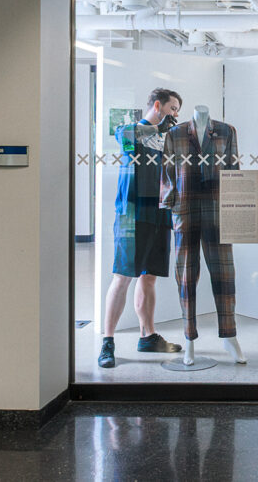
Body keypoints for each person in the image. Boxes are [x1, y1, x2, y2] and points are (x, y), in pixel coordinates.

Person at [99, 88, 184, 368]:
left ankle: (148, 337)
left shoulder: (167, 139)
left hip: (159, 215)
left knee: (149, 277)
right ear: (157, 106)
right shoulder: (130, 132)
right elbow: (124, 135)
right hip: (131, 215)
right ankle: (107, 342)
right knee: (122, 277)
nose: (175, 116)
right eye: (172, 109)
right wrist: (157, 128)